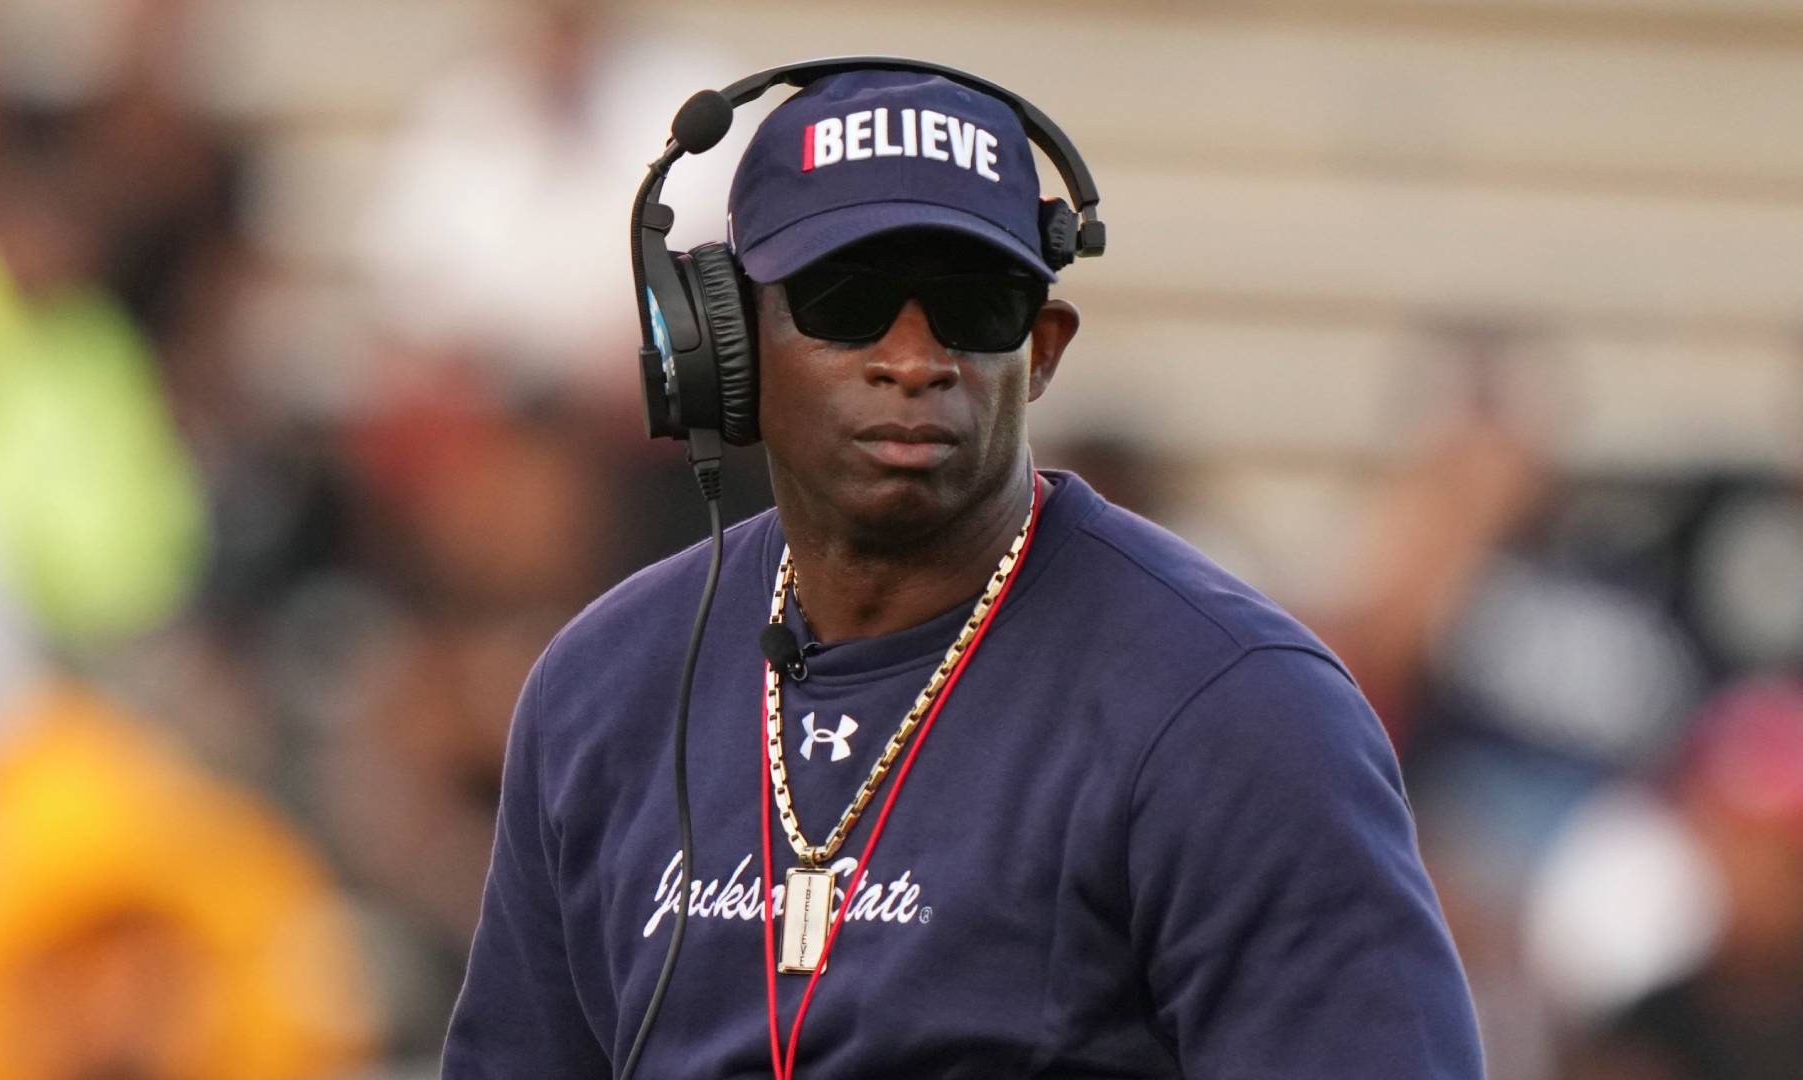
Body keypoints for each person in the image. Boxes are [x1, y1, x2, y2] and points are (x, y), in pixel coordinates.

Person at [443, 67, 1485, 1078]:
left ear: (1040, 350)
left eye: (971, 306)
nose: (912, 358)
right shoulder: (605, 686)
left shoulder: (1236, 708)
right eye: (846, 301)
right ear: (728, 345)